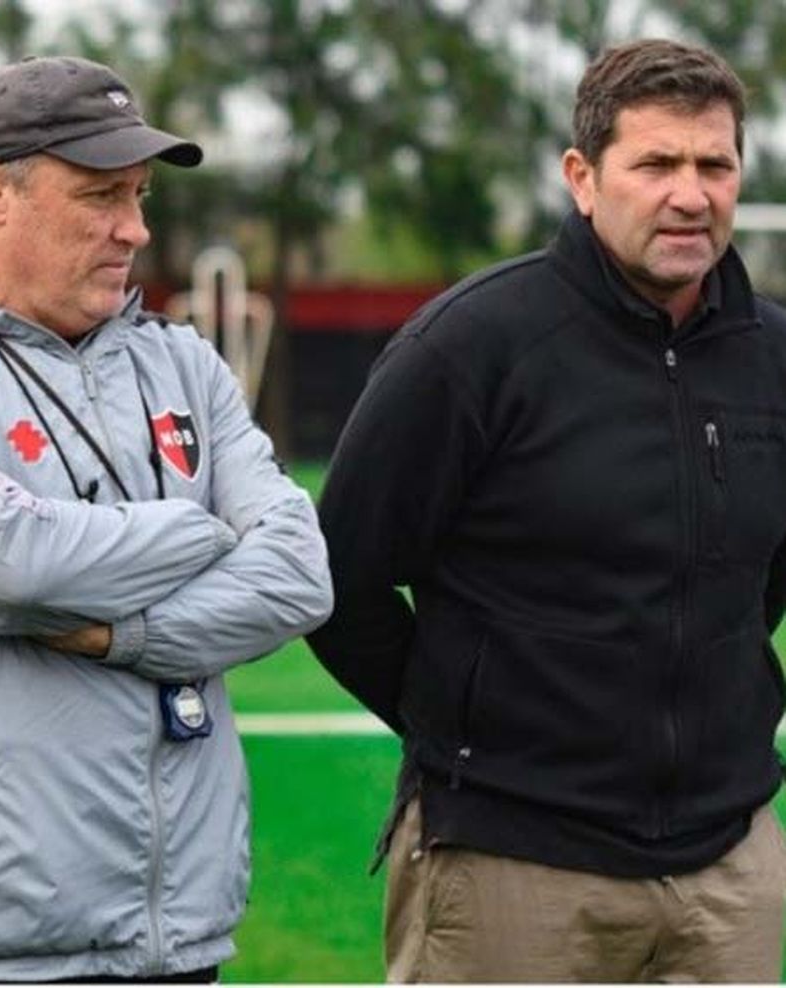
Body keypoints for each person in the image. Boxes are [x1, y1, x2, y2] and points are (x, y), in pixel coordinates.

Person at [0, 55, 332, 983]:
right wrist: (204, 531)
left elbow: (297, 574)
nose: (134, 228)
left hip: (179, 937)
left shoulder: (184, 363)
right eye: (99, 196)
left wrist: (119, 632)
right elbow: (16, 568)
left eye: (138, 195)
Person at [307, 38, 786, 982]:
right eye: (655, 163)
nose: (690, 194)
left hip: (729, 866)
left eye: (714, 165)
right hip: (509, 864)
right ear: (582, 177)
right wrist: (472, 725)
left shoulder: (777, 355)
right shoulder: (471, 345)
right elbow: (336, 576)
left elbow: (765, 575)